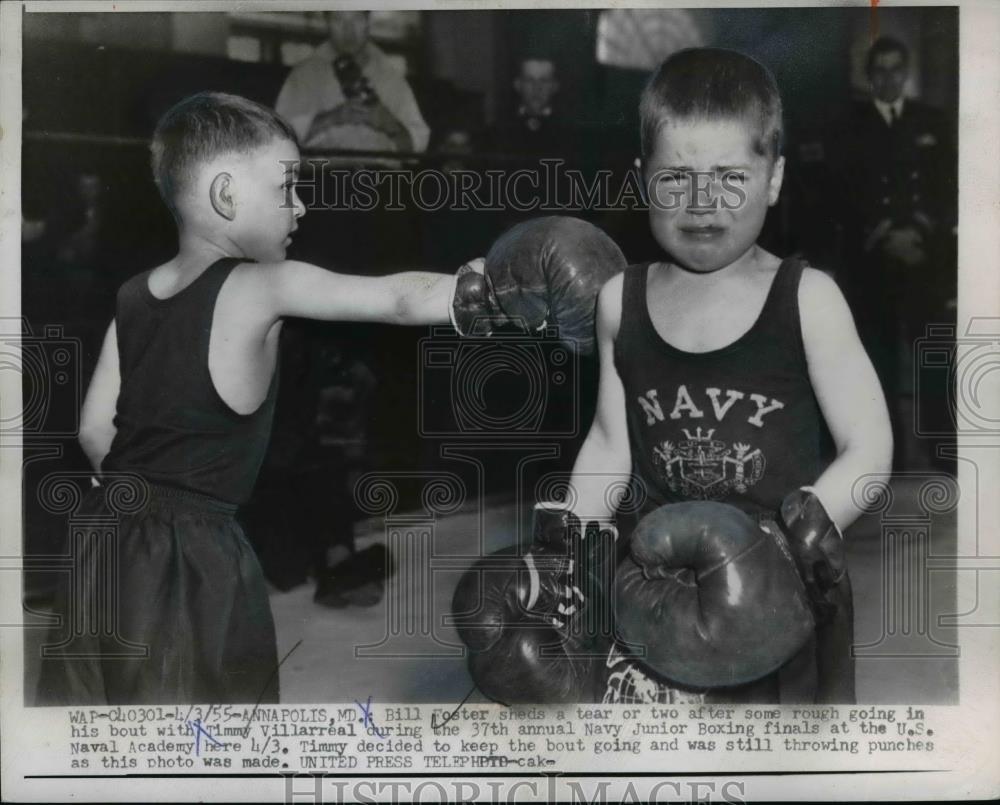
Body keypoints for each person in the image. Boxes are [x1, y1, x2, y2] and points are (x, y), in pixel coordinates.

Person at [454, 49, 892, 706]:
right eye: (676, 179)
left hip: (783, 592)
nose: (702, 203)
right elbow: (609, 445)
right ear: (642, 179)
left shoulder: (808, 298)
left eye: (730, 177)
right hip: (656, 582)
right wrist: (566, 550)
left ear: (773, 179)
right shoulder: (617, 301)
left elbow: (870, 448)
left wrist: (791, 545)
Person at [36, 91, 461, 706]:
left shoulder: (132, 294)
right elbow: (396, 300)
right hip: (193, 557)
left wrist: (137, 515)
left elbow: (93, 430)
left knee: (93, 735)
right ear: (228, 195)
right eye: (287, 187)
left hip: (103, 539)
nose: (301, 206)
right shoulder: (266, 284)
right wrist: (490, 289)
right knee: (208, 751)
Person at [829, 36, 957, 469]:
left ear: (906, 74)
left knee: (934, 357)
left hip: (923, 257)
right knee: (878, 364)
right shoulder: (850, 125)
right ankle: (892, 457)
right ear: (870, 76)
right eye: (879, 70)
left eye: (895, 69)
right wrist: (883, 233)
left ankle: (945, 450)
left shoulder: (931, 121)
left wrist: (918, 229)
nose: (887, 78)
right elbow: (840, 194)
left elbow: (950, 189)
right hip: (873, 262)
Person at [274, 10, 429, 155]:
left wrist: (390, 124)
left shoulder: (390, 76)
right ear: (326, 22)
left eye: (357, 19)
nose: (349, 31)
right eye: (338, 19)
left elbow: (419, 144)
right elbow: (278, 138)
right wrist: (332, 118)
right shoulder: (304, 74)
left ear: (368, 21)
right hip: (322, 175)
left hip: (380, 177)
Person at [491, 57, 564, 156]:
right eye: (529, 80)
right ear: (518, 85)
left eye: (544, 81)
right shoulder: (498, 130)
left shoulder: (569, 131)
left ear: (554, 86)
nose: (537, 88)